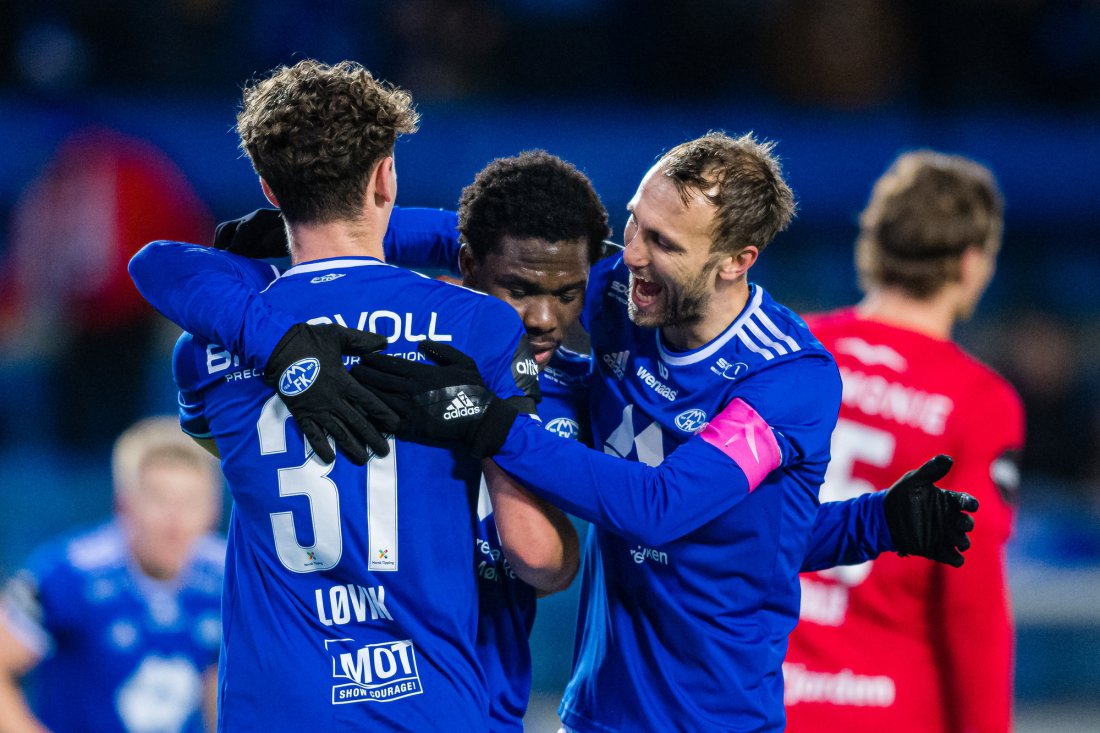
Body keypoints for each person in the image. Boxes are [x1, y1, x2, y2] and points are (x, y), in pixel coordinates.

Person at [132, 132, 979, 731]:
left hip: (714, 718)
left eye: (662, 243)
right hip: (594, 708)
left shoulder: (786, 378)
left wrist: (492, 425)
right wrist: (339, 236)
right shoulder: (615, 298)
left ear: (736, 261)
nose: (630, 255)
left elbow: (661, 510)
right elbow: (521, 249)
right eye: (635, 225)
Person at [140, 59, 578, 732]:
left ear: (268, 187)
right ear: (385, 175)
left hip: (273, 713)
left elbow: (220, 443)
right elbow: (538, 557)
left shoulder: (206, 348)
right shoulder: (476, 324)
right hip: (429, 702)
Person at [784, 151, 1025, 733]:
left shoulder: (788, 345)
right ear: (971, 264)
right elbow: (971, 604)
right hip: (886, 710)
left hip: (760, 699)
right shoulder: (978, 401)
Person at [0, 416, 223, 733]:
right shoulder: (69, 572)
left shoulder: (227, 578)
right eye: (159, 499)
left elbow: (219, 687)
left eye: (190, 501)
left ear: (212, 510)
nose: (176, 522)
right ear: (125, 505)